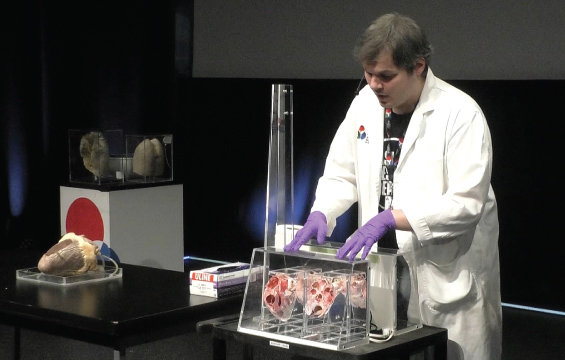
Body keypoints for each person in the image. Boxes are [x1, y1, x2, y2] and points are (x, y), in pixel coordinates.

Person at [284, 13, 502, 360]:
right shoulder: (364, 105)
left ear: (418, 66)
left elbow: (467, 204)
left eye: (385, 76)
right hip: (383, 267)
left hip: (444, 273)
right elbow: (342, 173)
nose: (374, 85)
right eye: (368, 74)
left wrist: (392, 218)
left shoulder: (460, 114)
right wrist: (323, 212)